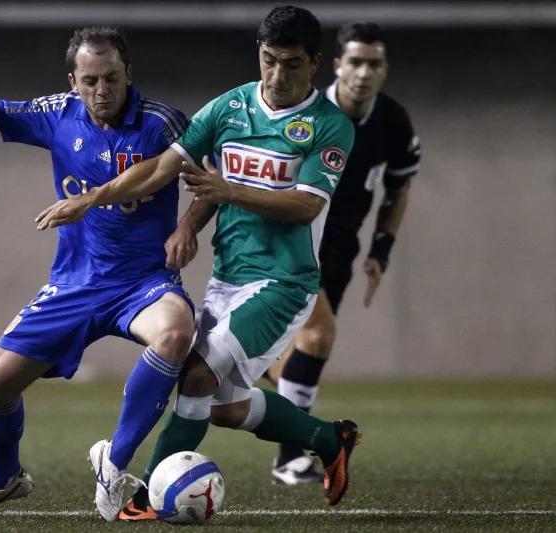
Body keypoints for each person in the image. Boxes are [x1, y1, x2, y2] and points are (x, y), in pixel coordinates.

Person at [35, 5, 361, 521]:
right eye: (269, 60)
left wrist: (229, 190)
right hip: (227, 276)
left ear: (315, 63)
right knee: (225, 407)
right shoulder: (228, 108)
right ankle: (328, 438)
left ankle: (145, 499)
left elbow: (305, 206)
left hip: (282, 280)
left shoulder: (329, 125)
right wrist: (108, 202)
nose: (277, 75)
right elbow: (162, 169)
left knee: (195, 375)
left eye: (292, 63)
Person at [0, 27, 196, 520]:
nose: (102, 90)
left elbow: (209, 177)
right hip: (75, 284)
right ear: (73, 81)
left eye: (111, 78)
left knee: (175, 334)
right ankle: (4, 479)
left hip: (143, 283)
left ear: (129, 73)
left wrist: (188, 226)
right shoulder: (58, 113)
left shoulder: (162, 122)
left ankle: (114, 460)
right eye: (90, 80)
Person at [265, 22, 421, 486]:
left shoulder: (393, 121)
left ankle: (232, 364)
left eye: (374, 63)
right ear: (336, 65)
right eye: (355, 61)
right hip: (291, 241)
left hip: (340, 250)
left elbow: (398, 188)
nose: (364, 72)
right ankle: (290, 458)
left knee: (288, 358)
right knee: (318, 337)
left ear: (385, 69)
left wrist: (381, 248)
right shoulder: (307, 112)